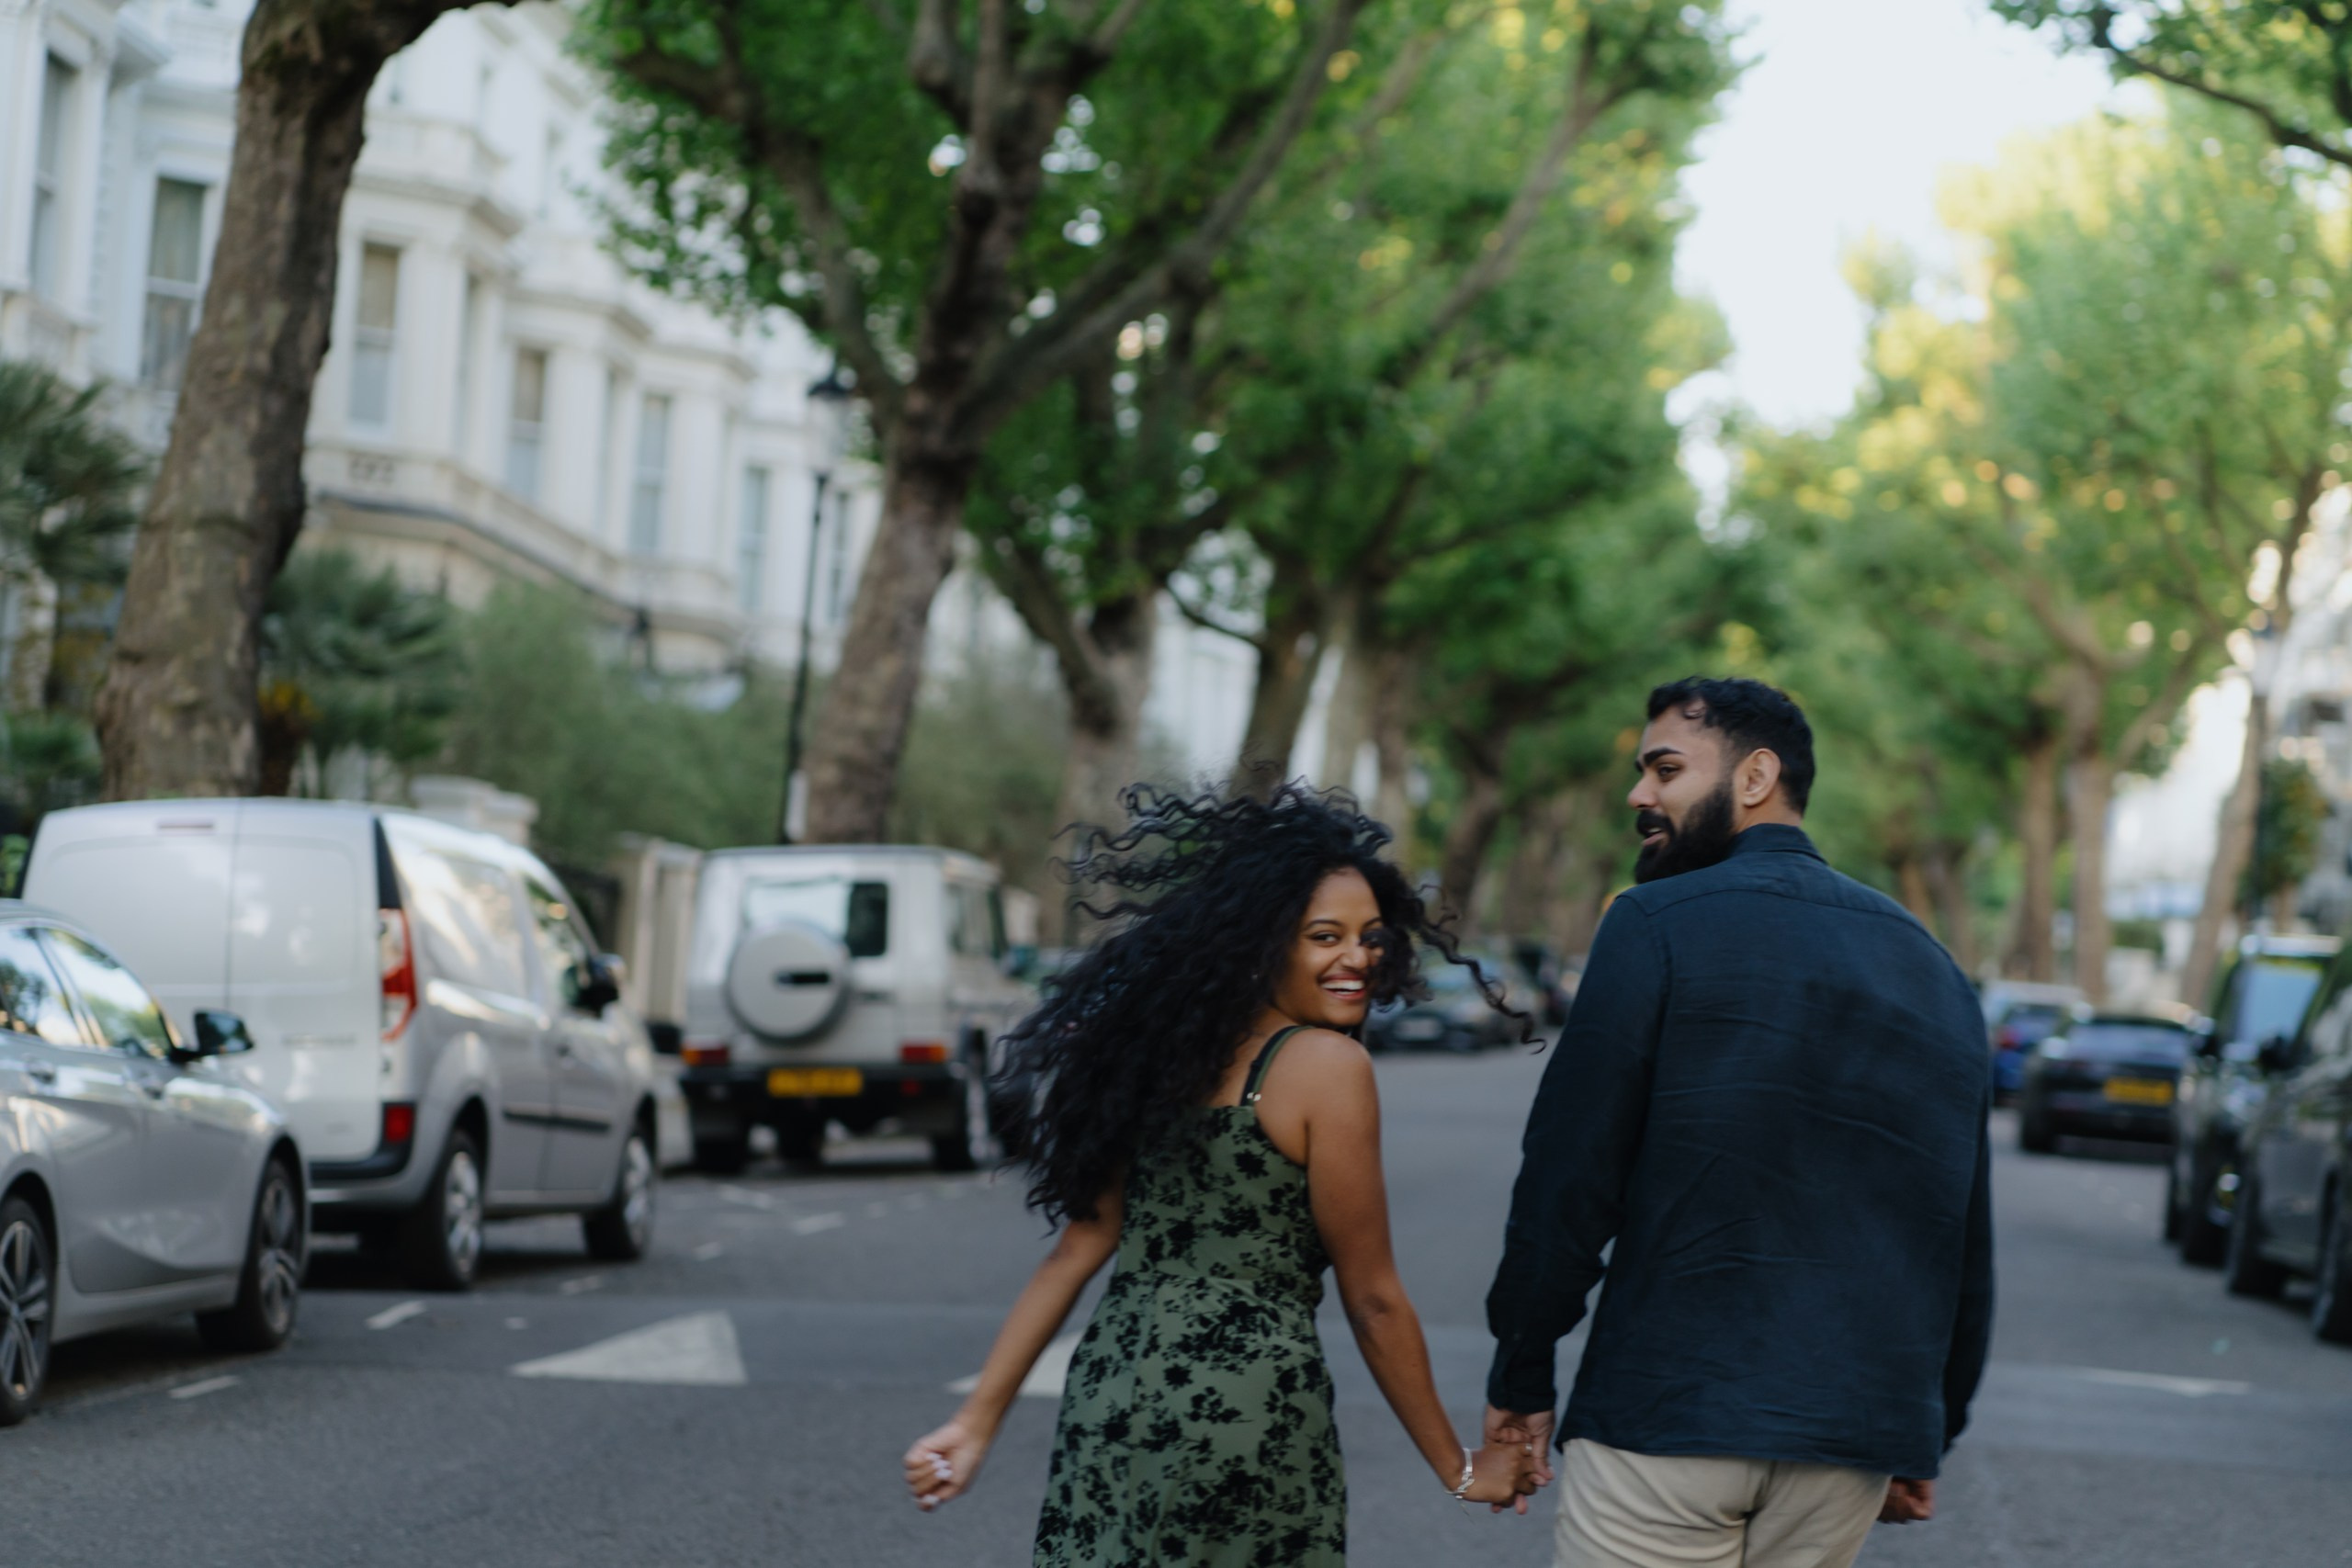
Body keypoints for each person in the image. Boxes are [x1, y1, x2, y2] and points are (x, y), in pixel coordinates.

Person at [903, 784, 1538, 1564]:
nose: (1357, 959)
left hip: (1112, 1395)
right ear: (1261, 942)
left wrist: (974, 1424)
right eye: (1323, 936)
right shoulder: (1326, 1066)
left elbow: (1077, 1249)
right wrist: (1459, 1466)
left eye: (1371, 937)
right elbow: (1371, 1296)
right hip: (1240, 1411)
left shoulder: (1160, 1061)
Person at [1484, 676, 1994, 1568]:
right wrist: (1926, 1431)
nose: (1639, 795)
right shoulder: (1934, 969)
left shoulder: (1651, 924)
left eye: (1665, 769)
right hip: (1847, 1440)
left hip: (1667, 1414)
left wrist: (1521, 1376)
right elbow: (1956, 1227)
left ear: (1756, 776)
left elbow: (1569, 1178)